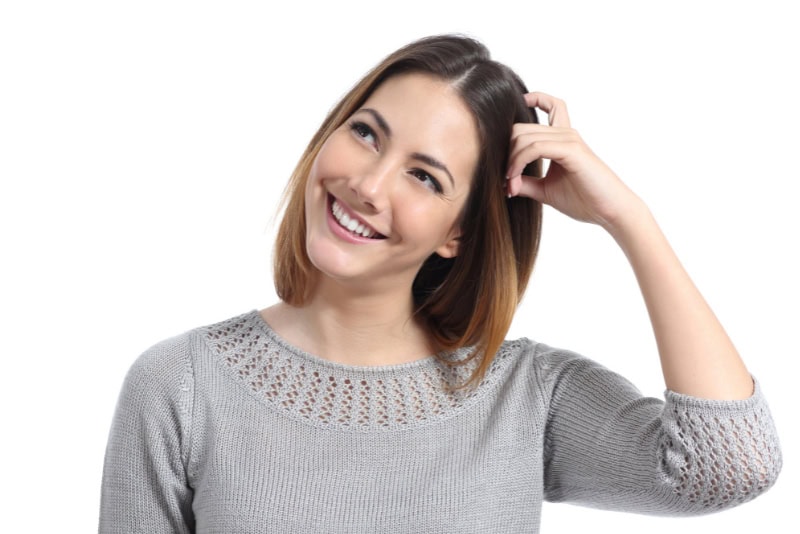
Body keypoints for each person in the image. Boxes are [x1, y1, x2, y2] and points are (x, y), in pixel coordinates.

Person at [98, 35, 782, 533]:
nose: (366, 186)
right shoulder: (181, 385)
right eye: (366, 134)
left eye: (424, 177)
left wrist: (627, 216)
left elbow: (731, 466)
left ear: (458, 233)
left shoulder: (521, 395)